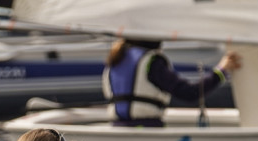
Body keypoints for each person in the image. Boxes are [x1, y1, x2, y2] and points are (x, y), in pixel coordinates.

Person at [103, 38, 241, 126]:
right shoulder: (151, 62)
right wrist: (221, 71)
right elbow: (190, 93)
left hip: (118, 128)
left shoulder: (114, 60)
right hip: (146, 131)